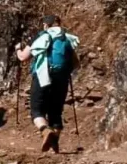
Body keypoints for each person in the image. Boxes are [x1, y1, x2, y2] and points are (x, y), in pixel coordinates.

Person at [16, 14, 80, 152]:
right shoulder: (67, 38)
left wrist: (17, 49)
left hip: (42, 77)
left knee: (36, 110)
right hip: (62, 79)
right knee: (56, 112)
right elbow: (75, 64)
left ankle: (45, 131)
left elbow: (23, 57)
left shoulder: (42, 36)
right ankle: (54, 142)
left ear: (46, 25)